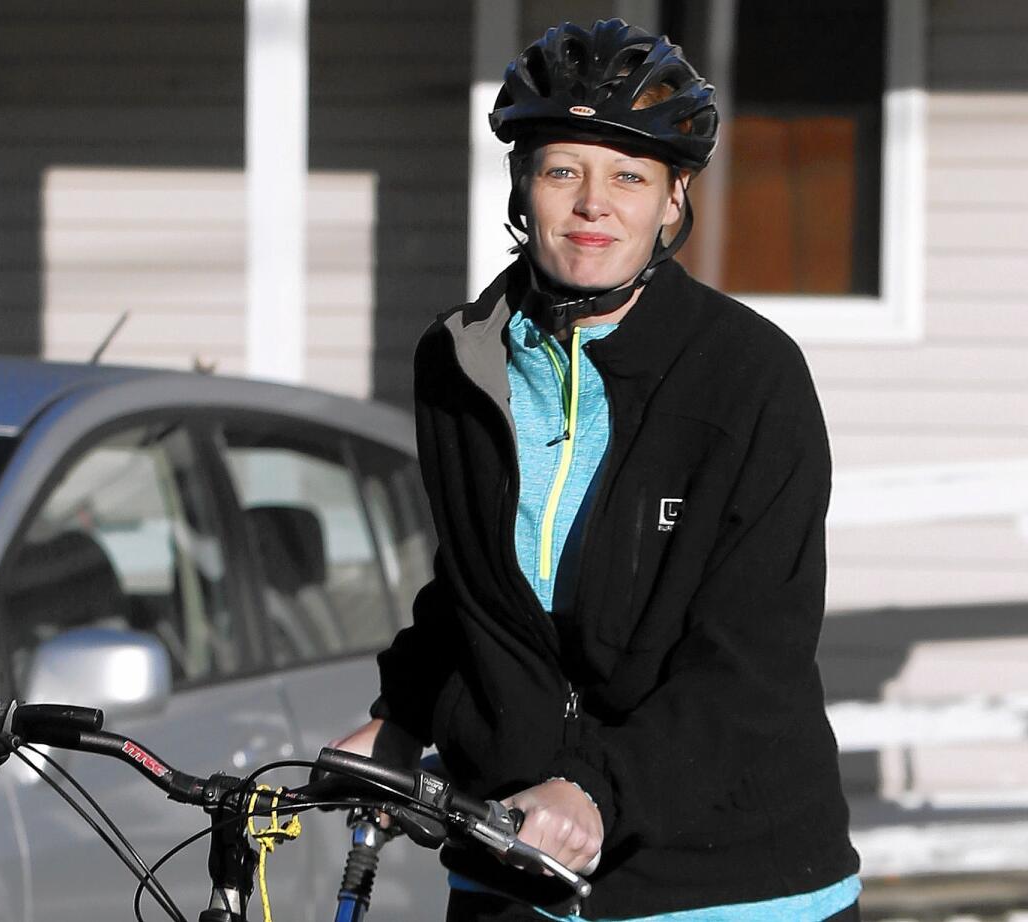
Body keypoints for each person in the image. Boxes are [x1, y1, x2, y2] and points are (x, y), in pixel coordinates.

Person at [333, 19, 861, 922]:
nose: (593, 205)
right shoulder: (462, 361)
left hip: (726, 882)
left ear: (672, 199)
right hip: (510, 861)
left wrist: (594, 790)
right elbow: (478, 590)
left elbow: (752, 659)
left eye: (628, 176)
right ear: (522, 188)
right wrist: (405, 710)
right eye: (562, 170)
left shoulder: (748, 378)